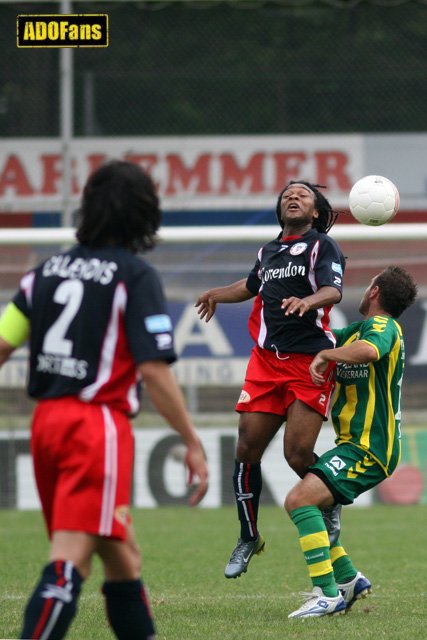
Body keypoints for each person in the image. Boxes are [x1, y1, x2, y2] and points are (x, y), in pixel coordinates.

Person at [0, 160, 208, 640]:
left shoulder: (43, 273)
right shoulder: (134, 276)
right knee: (71, 555)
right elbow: (153, 369)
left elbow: (4, 342)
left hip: (47, 423)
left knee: (122, 555)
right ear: (144, 213)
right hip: (96, 428)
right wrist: (191, 440)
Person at [195, 180, 345, 579]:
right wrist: (215, 293)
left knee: (296, 454)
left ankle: (329, 503)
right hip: (266, 363)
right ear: (280, 210)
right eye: (286, 195)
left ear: (315, 212)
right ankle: (248, 537)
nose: (292, 197)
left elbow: (333, 291)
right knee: (246, 448)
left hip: (308, 363)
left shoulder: (321, 246)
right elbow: (248, 287)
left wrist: (306, 301)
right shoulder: (268, 251)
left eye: (302, 195)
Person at [284, 265, 417, 619]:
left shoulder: (383, 328)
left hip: (371, 448)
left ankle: (326, 595)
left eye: (368, 284)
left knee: (299, 501)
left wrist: (327, 356)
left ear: (374, 292)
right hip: (355, 446)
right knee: (312, 506)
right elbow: (322, 340)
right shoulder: (353, 332)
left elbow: (370, 352)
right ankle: (347, 579)